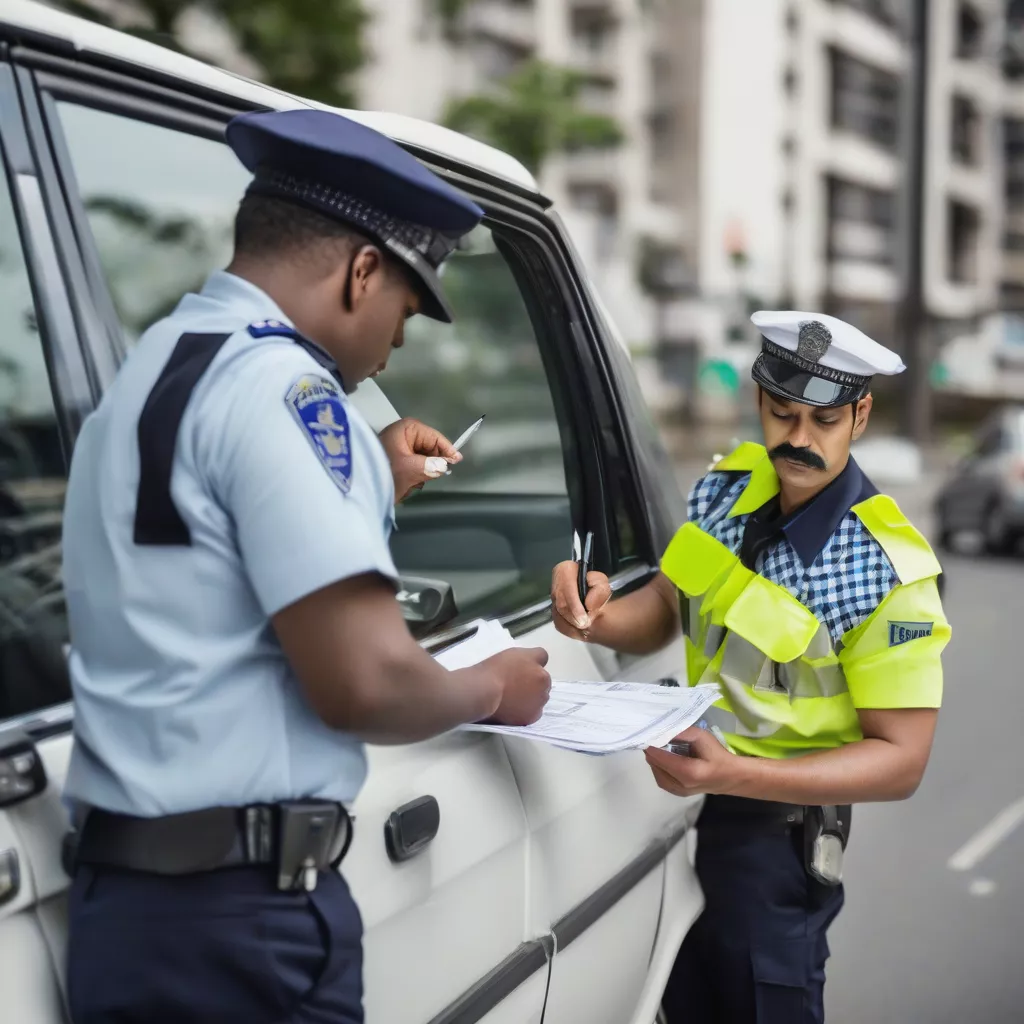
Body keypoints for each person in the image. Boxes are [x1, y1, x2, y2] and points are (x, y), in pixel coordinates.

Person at [61, 107, 551, 1024]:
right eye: (402, 319)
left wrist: (373, 480)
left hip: (129, 910)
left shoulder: (153, 370)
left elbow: (194, 566)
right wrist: (493, 686)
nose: (392, 350)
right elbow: (363, 683)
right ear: (363, 272)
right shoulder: (291, 391)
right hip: (243, 921)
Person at [551, 311, 950, 1024]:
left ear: (860, 415)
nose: (798, 439)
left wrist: (736, 775)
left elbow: (902, 761)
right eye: (782, 412)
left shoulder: (886, 571)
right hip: (678, 812)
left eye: (823, 420)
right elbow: (667, 607)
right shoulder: (725, 491)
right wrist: (597, 611)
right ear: (759, 400)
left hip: (774, 840)